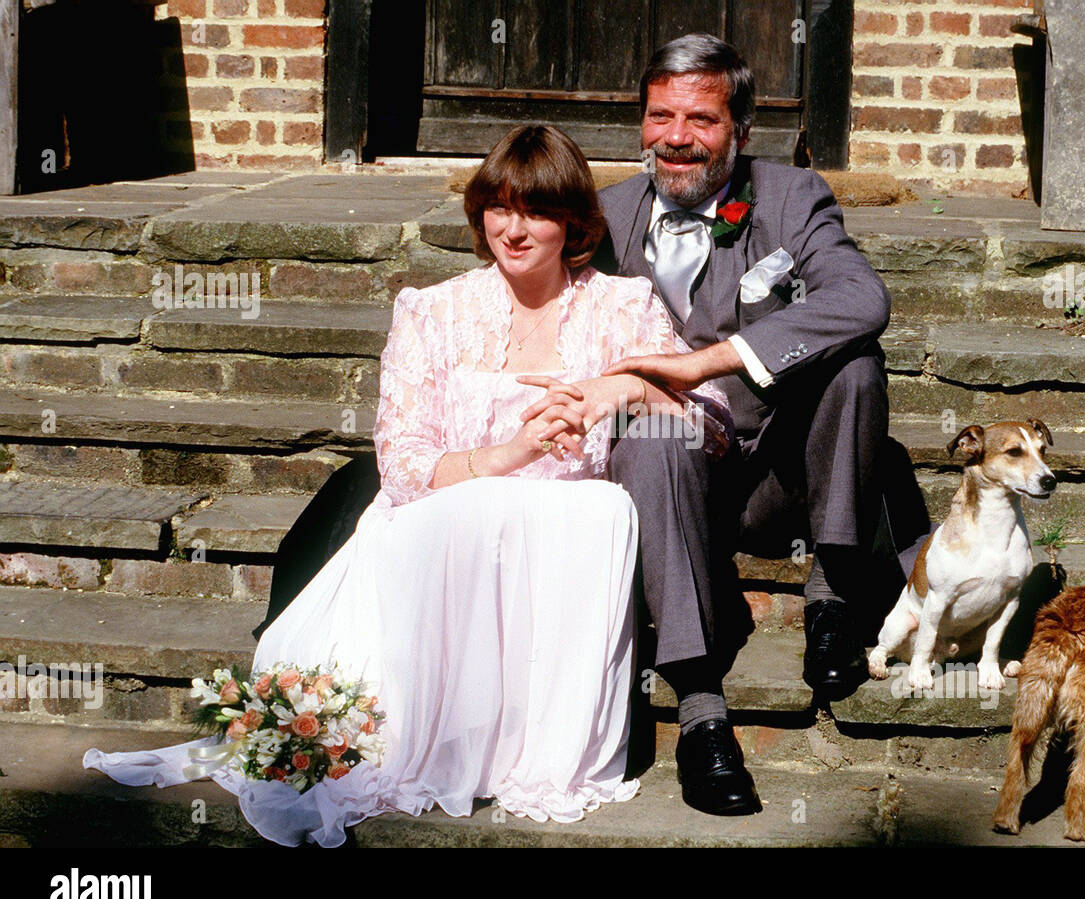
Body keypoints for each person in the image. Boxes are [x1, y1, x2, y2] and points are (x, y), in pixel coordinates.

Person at [82, 125, 733, 847]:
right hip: (446, 526)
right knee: (451, 519)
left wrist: (625, 391)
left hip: (565, 542)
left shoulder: (624, 307)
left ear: (574, 224)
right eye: (498, 208)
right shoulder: (434, 311)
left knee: (598, 508)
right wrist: (510, 451)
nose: (513, 230)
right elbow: (401, 464)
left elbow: (710, 429)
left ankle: (525, 741)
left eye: (536, 212)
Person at [580, 33, 907, 816]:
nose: (676, 138)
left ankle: (832, 599)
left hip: (781, 476)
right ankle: (700, 712)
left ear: (741, 131)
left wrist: (710, 360)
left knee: (855, 363)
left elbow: (863, 301)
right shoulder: (608, 215)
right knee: (650, 433)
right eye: (660, 116)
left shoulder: (791, 197)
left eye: (701, 119)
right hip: (675, 479)